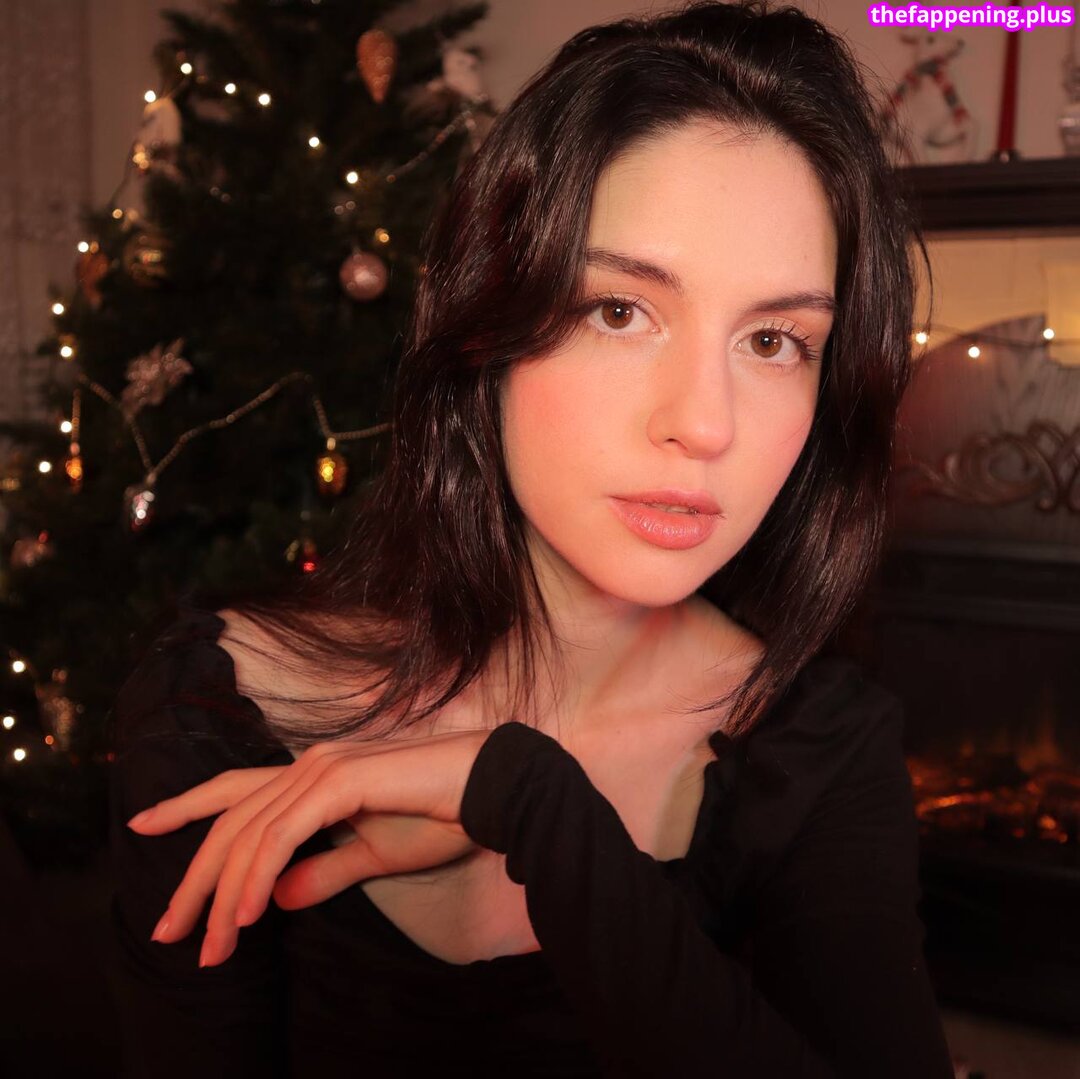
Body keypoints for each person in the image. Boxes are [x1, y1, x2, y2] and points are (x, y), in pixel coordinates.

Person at [107, 2, 955, 1076]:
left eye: (776, 339)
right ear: (485, 325)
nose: (705, 423)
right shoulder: (219, 712)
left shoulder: (816, 748)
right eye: (619, 311)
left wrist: (532, 803)